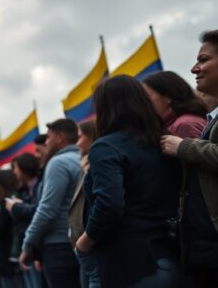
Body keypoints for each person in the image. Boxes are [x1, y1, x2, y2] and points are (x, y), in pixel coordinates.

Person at [76, 75, 181, 287]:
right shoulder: (162, 139)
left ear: (105, 108)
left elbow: (110, 205)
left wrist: (85, 242)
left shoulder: (106, 147)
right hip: (172, 257)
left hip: (128, 266)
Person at [160, 29, 218, 287]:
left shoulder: (185, 128)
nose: (195, 68)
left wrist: (184, 147)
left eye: (203, 59)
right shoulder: (210, 117)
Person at [19, 119, 82, 288]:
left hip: (58, 248)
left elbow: (47, 209)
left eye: (48, 137)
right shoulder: (83, 158)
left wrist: (28, 244)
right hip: (81, 243)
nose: (46, 142)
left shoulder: (58, 163)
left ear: (60, 137)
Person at [68, 120, 96, 288]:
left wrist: (86, 240)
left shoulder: (96, 164)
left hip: (92, 243)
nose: (77, 143)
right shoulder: (84, 164)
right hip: (85, 244)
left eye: (80, 137)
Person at [7, 152, 42, 288]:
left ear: (23, 168)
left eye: (15, 168)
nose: (14, 172)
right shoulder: (24, 191)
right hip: (29, 249)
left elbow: (39, 212)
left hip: (36, 250)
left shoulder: (39, 186)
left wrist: (16, 207)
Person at [143, 70, 207, 138]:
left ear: (167, 97)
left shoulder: (185, 125)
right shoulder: (174, 124)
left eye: (146, 96)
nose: (143, 101)